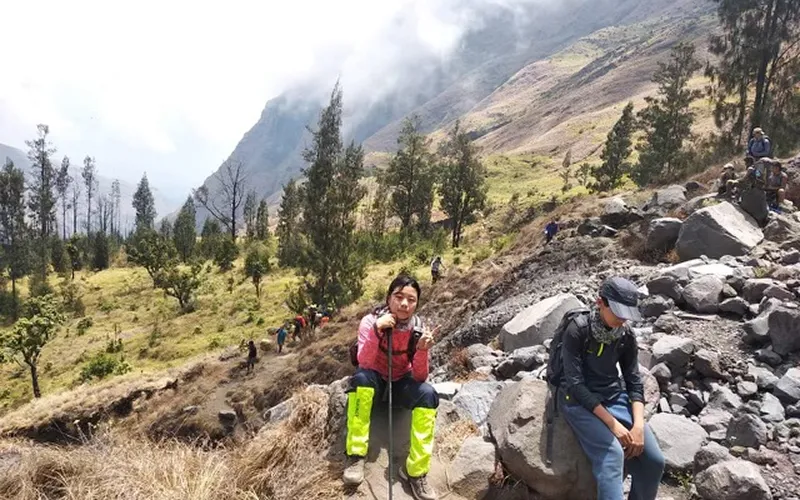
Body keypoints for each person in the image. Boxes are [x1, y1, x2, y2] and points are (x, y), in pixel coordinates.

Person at [559, 277, 665, 500]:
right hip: (577, 401)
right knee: (612, 455)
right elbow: (575, 384)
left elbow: (633, 381)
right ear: (600, 302)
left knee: (654, 461)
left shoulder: (626, 335)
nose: (622, 319)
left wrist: (638, 425)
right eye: (618, 312)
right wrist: (613, 424)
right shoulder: (578, 330)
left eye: (627, 314)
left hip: (613, 396)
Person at [343, 275, 439, 500]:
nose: (404, 304)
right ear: (388, 298)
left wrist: (422, 350)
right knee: (361, 379)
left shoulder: (417, 329)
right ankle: (356, 454)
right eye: (399, 297)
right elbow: (364, 362)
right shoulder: (370, 321)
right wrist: (377, 331)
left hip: (400, 384)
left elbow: (420, 376)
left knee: (428, 395)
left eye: (411, 300)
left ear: (417, 304)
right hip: (374, 382)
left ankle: (416, 471)